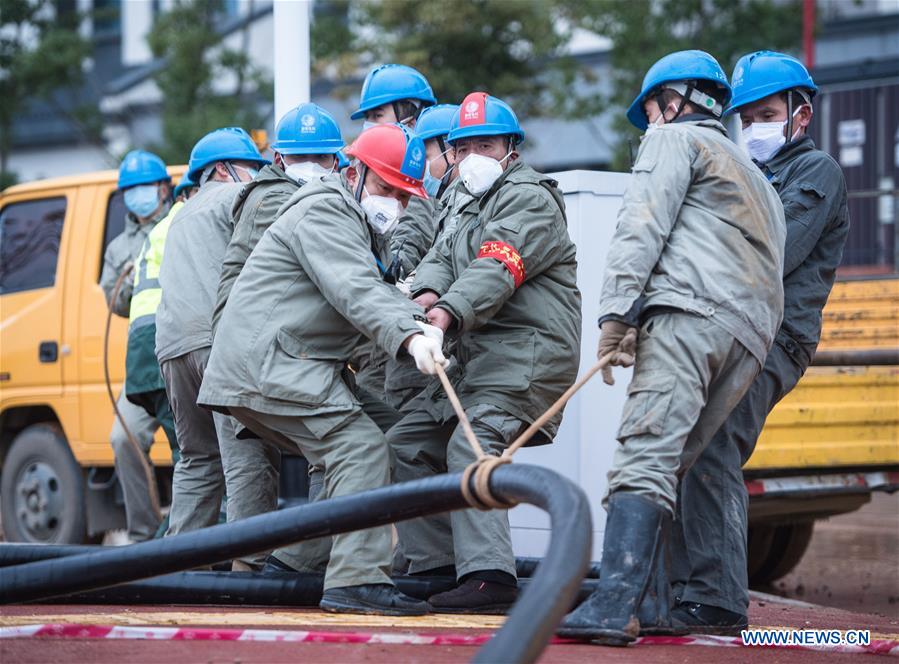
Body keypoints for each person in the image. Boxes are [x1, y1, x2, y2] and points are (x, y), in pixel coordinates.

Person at [557, 50, 786, 645]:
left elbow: (642, 224)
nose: (651, 120)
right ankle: (651, 603)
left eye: (652, 108)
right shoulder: (757, 178)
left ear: (675, 101)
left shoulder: (672, 140)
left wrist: (614, 315)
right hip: (748, 338)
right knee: (674, 463)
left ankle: (610, 607)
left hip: (690, 320)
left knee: (645, 455)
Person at [197, 123, 446, 616]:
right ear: (352, 172)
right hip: (272, 365)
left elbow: (355, 299)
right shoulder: (328, 209)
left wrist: (413, 317)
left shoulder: (354, 224)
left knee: (391, 437)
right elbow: (355, 289)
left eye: (403, 195)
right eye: (385, 188)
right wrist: (410, 332)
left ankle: (297, 562)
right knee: (360, 447)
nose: (393, 203)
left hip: (284, 362)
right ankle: (356, 581)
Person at [669, 51, 850, 635]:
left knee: (717, 443)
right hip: (728, 327)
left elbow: (776, 252)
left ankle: (718, 599)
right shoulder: (747, 173)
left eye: (768, 112)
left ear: (801, 114)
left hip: (776, 336)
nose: (756, 126)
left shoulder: (816, 171)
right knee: (678, 448)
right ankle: (681, 588)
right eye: (746, 117)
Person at [389, 92, 582, 613]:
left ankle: (489, 577)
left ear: (511, 148)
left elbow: (497, 266)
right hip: (480, 360)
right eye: (465, 145)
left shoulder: (529, 198)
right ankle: (434, 566)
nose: (474, 153)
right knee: (407, 442)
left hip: (525, 357)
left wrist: (446, 312)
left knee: (470, 445)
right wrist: (423, 298)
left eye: (486, 144)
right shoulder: (463, 201)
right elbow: (438, 259)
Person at [211, 103, 344, 569]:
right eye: (303, 157)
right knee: (338, 443)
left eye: (321, 157)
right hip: (258, 349)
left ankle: (275, 567)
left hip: (252, 345)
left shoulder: (267, 193)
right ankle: (272, 570)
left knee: (259, 465)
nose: (313, 167)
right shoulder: (278, 200)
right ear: (280, 161)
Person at [155, 127, 270, 542]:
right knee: (246, 452)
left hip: (172, 349)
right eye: (251, 168)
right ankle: (249, 566)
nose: (258, 176)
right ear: (223, 170)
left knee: (196, 458)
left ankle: (176, 565)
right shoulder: (235, 197)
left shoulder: (178, 216)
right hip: (217, 345)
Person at [349, 64, 439, 430]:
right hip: (375, 340)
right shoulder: (360, 174)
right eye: (368, 117)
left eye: (378, 115)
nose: (371, 124)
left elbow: (407, 244)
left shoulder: (420, 184)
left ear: (410, 115)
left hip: (407, 336)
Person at [101, 150, 173, 543]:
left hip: (185, 353)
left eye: (143, 187)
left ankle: (192, 532)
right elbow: (113, 300)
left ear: (163, 187)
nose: (138, 195)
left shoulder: (182, 222)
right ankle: (144, 537)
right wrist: (131, 284)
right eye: (129, 190)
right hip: (143, 364)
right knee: (122, 436)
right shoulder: (117, 249)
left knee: (193, 446)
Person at [384, 103, 460, 413]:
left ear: (450, 151)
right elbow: (407, 242)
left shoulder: (471, 203)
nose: (425, 167)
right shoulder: (430, 200)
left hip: (439, 347)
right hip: (426, 345)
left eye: (428, 156)